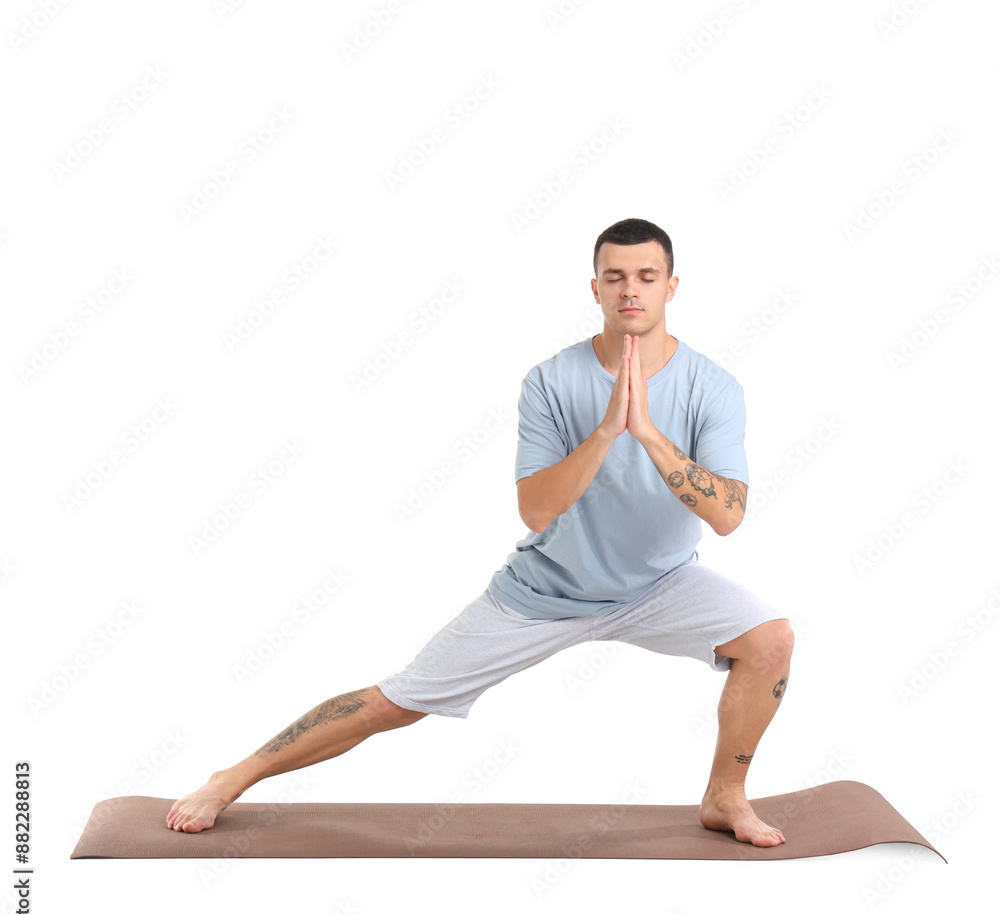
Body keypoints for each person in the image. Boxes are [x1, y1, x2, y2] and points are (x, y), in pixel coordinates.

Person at [166, 218, 793, 848]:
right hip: (547, 589)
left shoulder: (713, 387)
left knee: (770, 639)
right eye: (616, 277)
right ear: (596, 289)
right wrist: (605, 431)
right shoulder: (550, 381)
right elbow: (537, 511)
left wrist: (649, 434)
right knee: (397, 703)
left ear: (671, 286)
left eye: (646, 277)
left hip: (661, 582)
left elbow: (728, 517)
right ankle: (232, 777)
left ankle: (725, 796)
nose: (631, 289)